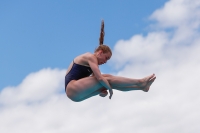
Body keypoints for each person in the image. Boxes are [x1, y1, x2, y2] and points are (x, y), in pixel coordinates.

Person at [65, 20, 156, 102]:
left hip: (76, 95)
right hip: (72, 88)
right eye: (106, 58)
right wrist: (110, 89)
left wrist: (103, 92)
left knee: (110, 83)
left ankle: (141, 87)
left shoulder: (92, 63)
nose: (106, 61)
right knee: (107, 78)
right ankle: (140, 82)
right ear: (100, 52)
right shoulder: (90, 57)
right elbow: (100, 78)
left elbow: (96, 85)